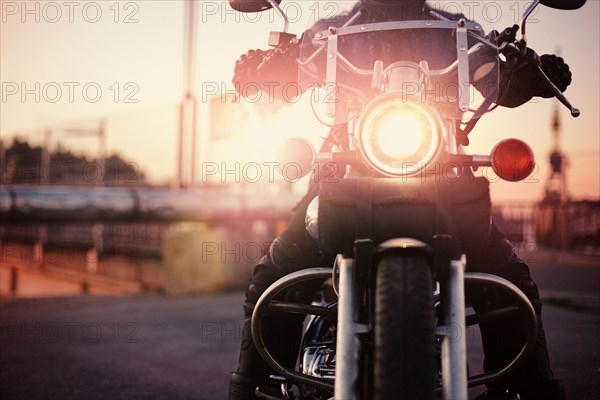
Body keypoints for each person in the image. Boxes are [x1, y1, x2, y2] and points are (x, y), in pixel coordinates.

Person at [228, 1, 572, 399]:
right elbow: (292, 76)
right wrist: (265, 68)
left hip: (442, 180)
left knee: (509, 281)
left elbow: (490, 77)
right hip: (343, 177)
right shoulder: (333, 31)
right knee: (276, 274)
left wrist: (524, 74)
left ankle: (525, 390)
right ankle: (258, 390)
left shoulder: (457, 31)